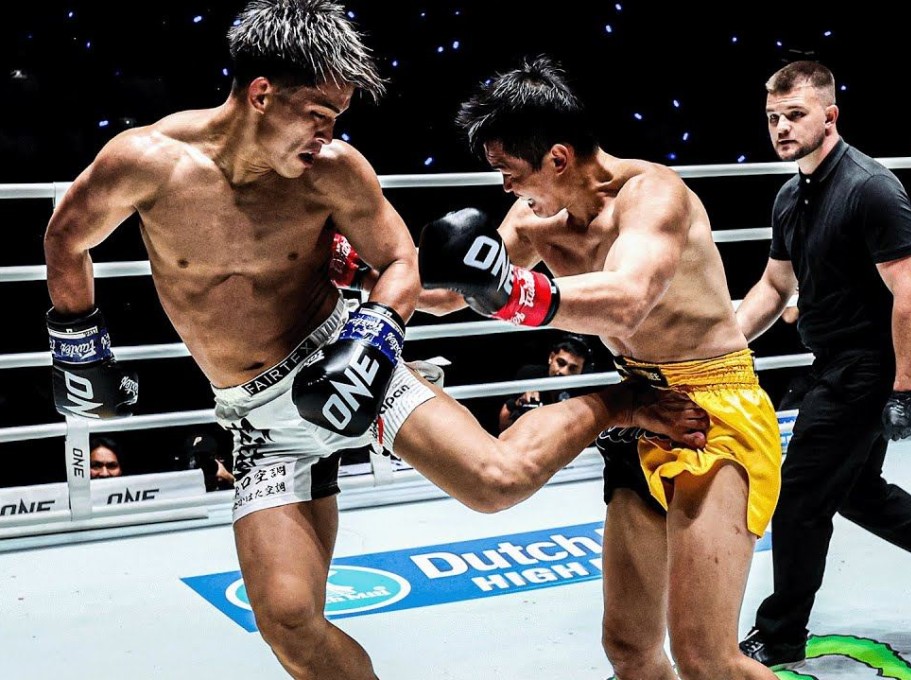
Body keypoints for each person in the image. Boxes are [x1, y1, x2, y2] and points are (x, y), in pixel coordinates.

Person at [41, 4, 703, 679]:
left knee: (494, 483)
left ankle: (621, 404)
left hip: (344, 350)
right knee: (289, 622)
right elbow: (66, 236)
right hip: (259, 419)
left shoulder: (335, 170)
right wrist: (78, 343)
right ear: (262, 94)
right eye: (318, 115)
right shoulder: (144, 161)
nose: (328, 135)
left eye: (338, 120)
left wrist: (372, 338)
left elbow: (401, 261)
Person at [416, 55, 783, 680]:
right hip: (640, 404)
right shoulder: (535, 219)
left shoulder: (654, 196)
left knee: (706, 659)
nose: (505, 188)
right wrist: (360, 274)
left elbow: (631, 297)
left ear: (558, 159)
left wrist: (519, 296)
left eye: (511, 171)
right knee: (631, 651)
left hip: (715, 411)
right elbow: (458, 290)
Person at [734, 60, 911, 670]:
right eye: (773, 118)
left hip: (864, 370)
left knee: (801, 498)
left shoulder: (870, 187)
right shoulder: (790, 196)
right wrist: (724, 347)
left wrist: (906, 391)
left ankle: (781, 635)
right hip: (830, 362)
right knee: (858, 491)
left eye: (795, 115)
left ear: (830, 116)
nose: (782, 128)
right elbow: (773, 286)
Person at [498, 332, 592, 432]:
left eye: (573, 368)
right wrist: (519, 403)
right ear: (551, 358)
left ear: (582, 370)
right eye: (560, 363)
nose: (564, 372)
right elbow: (502, 426)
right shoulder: (530, 376)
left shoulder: (585, 393)